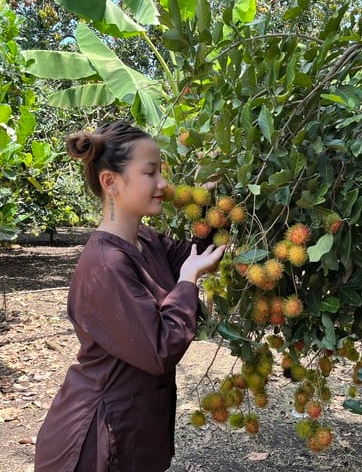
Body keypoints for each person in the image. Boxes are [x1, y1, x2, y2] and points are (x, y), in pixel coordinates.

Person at [34, 121, 226, 472]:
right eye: (150, 173)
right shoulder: (105, 265)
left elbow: (195, 254)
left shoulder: (145, 241)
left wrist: (216, 203)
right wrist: (187, 282)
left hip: (133, 425)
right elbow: (159, 349)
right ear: (111, 182)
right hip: (96, 441)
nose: (163, 184)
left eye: (161, 172)